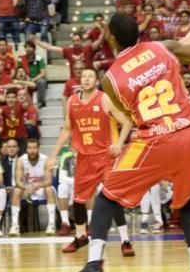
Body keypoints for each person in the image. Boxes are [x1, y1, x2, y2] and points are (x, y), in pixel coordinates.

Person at [60, 15, 190, 272]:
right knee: (186, 202)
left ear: (111, 39)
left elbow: (129, 112)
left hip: (157, 138)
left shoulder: (110, 79)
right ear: (138, 32)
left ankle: (93, 264)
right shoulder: (163, 48)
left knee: (106, 197)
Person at [49, 67, 135, 257]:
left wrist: (119, 144)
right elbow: (66, 130)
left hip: (106, 156)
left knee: (112, 197)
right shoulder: (72, 101)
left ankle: (125, 240)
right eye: (84, 76)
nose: (86, 79)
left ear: (96, 81)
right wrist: (54, 154)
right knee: (78, 200)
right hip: (84, 157)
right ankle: (81, 237)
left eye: (90, 76)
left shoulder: (104, 98)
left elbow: (128, 122)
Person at [8, 138, 56, 237]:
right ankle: (14, 225)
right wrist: (26, 187)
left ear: (38, 148)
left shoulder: (46, 160)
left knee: (49, 189)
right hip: (27, 189)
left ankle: (51, 224)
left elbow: (49, 181)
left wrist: (38, 185)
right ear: (26, 149)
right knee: (17, 191)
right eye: (30, 148)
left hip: (41, 188)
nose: (32, 150)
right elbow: (17, 181)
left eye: (34, 148)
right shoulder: (21, 160)